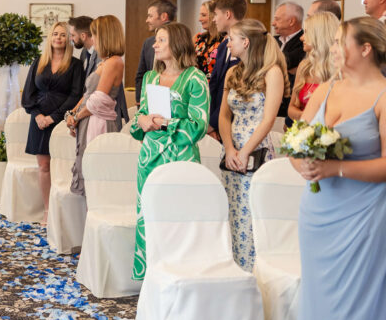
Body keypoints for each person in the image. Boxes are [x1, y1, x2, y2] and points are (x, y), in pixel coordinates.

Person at [291, 16, 386, 320]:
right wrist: (305, 165)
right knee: (321, 296)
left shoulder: (384, 94)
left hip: (363, 212)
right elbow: (298, 143)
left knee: (356, 298)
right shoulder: (328, 87)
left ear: (365, 49)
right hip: (318, 210)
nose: (332, 48)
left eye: (339, 41)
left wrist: (336, 168)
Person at [129, 23, 210, 281]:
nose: (154, 45)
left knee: (177, 218)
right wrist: (141, 121)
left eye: (161, 40)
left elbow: (199, 127)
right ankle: (150, 278)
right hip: (150, 158)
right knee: (149, 217)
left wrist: (164, 123)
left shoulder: (195, 79)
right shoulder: (151, 78)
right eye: (156, 40)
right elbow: (142, 116)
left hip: (180, 158)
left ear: (176, 43)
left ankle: (177, 279)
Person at [218, 19, 287, 271]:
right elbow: (224, 116)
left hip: (257, 150)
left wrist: (246, 151)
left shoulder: (272, 72)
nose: (228, 42)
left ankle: (255, 274)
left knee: (252, 215)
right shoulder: (232, 72)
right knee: (234, 214)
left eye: (232, 38)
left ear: (245, 42)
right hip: (233, 148)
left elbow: (269, 119)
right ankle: (236, 269)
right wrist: (229, 148)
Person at [21, 21, 84, 224]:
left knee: (64, 164)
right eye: (55, 34)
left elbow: (76, 95)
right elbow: (28, 93)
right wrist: (38, 115)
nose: (58, 37)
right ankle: (48, 209)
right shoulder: (38, 61)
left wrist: (53, 117)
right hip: (38, 121)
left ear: (69, 39)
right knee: (44, 165)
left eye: (63, 35)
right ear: (50, 38)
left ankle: (64, 210)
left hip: (62, 120)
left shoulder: (75, 65)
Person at [67, 15, 126, 196]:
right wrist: (72, 113)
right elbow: (87, 94)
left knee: (97, 177)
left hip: (99, 123)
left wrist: (76, 117)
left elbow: (97, 101)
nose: (93, 39)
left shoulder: (115, 62)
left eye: (95, 34)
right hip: (89, 119)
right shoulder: (106, 61)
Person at [287, 12, 340, 122]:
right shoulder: (304, 66)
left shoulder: (340, 69)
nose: (301, 38)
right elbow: (291, 108)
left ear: (319, 35)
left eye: (306, 32)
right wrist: (307, 117)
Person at [208, 0, 246, 138]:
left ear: (228, 14)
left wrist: (213, 124)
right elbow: (214, 85)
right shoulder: (224, 45)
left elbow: (235, 91)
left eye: (216, 14)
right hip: (217, 121)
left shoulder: (247, 46)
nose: (214, 19)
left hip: (236, 122)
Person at [134, 0, 176, 105]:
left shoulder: (177, 41)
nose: (147, 20)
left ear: (163, 16)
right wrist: (140, 99)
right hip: (148, 101)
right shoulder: (148, 43)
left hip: (172, 100)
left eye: (150, 16)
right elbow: (141, 75)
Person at [272, 2, 306, 119]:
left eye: (277, 19)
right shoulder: (273, 40)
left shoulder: (304, 43)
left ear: (291, 21)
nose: (273, 23)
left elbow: (286, 62)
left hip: (288, 109)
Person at [194, 0, 221, 79]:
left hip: (215, 87)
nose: (199, 19)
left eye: (204, 15)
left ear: (214, 15)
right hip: (198, 87)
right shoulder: (197, 38)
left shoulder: (225, 41)